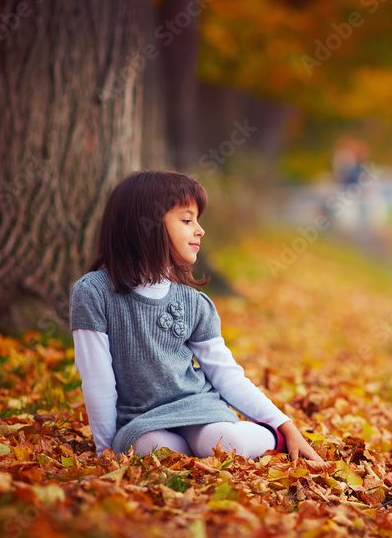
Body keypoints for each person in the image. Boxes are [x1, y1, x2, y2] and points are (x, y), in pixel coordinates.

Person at [69, 170, 322, 462]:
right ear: (146, 226)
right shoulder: (94, 293)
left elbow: (226, 374)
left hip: (197, 407)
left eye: (197, 220)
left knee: (226, 447)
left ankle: (269, 437)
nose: (199, 230)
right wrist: (104, 451)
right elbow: (97, 381)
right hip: (141, 420)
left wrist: (284, 424)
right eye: (187, 220)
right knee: (150, 453)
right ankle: (194, 450)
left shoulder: (194, 303)